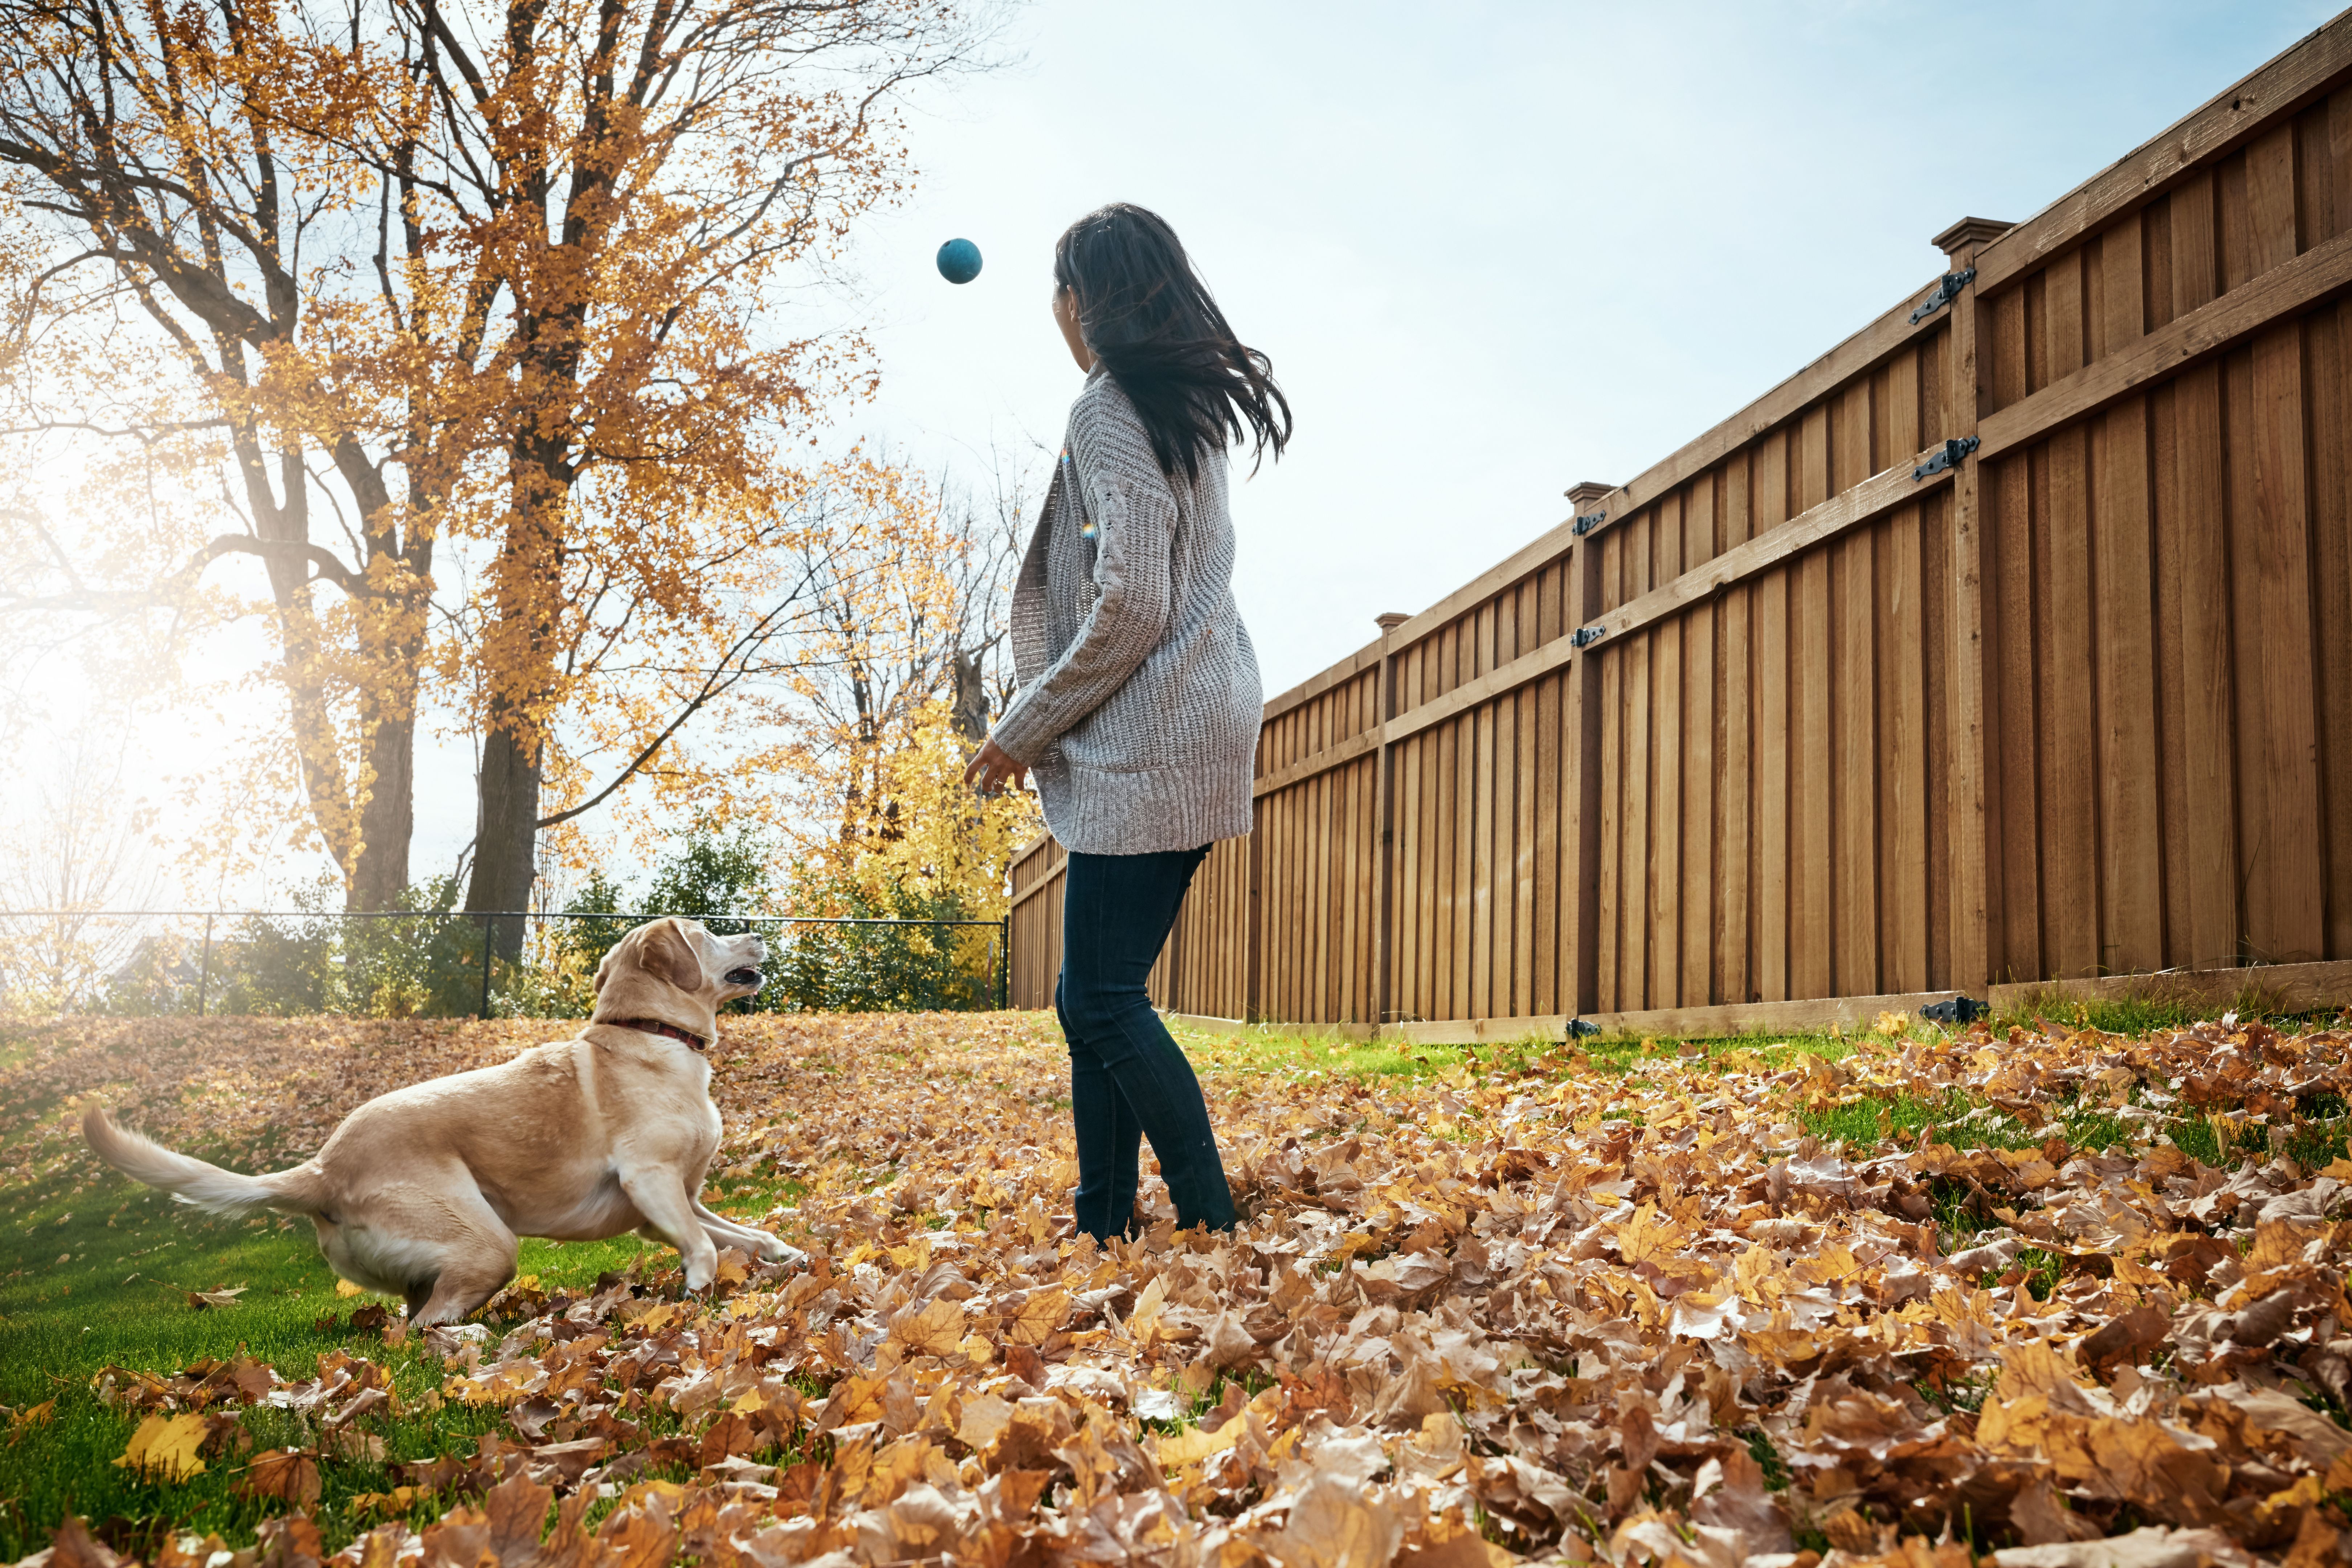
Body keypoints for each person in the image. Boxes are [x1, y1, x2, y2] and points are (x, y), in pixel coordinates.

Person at [963, 203, 1290, 1244]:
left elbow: (1134, 599)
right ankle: (1103, 1219)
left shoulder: (1109, 408)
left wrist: (1024, 725)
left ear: (1080, 302)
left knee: (1100, 1000)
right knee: (1094, 996)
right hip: (1200, 717)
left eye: (1057, 293)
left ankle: (1208, 1218)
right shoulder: (1187, 405)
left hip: (1151, 736)